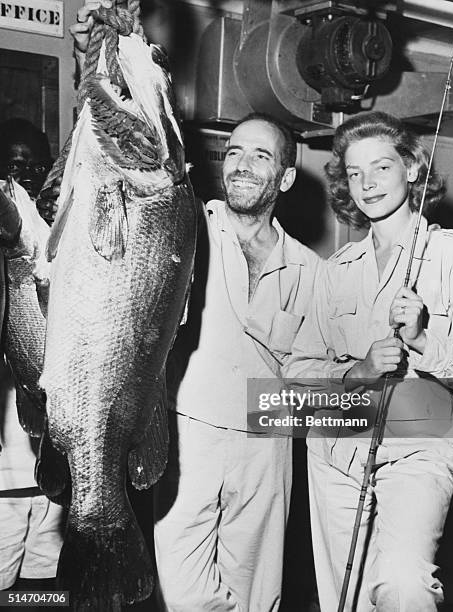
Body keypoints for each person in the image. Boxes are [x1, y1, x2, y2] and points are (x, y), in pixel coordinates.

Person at [70, 4, 321, 610]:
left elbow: (321, 373)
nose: (240, 163)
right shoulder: (187, 225)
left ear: (285, 178)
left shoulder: (315, 272)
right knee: (183, 596)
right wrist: (97, 51)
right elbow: (117, 142)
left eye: (260, 155)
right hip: (189, 441)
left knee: (258, 597)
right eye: (234, 151)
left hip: (269, 448)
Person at [284, 111, 453, 612]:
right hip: (337, 448)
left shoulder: (451, 253)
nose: (367, 183)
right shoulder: (336, 270)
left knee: (404, 585)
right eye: (354, 173)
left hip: (422, 444)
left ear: (412, 169)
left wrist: (424, 338)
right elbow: (298, 373)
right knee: (346, 598)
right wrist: (356, 371)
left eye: (381, 167)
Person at [0, 122, 65, 596]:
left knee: (44, 583)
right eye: (14, 164)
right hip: (4, 470)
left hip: (53, 459)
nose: (24, 175)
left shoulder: (56, 233)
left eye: (35, 166)